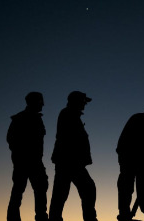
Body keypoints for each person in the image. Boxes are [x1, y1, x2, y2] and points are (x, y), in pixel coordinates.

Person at [49, 91, 98, 221]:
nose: (85, 104)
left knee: (63, 192)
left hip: (70, 161)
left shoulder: (71, 115)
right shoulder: (68, 114)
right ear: (76, 101)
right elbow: (69, 139)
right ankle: (89, 218)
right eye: (83, 101)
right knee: (85, 189)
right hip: (70, 161)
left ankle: (56, 217)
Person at [7, 92, 49, 221]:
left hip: (36, 161)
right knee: (19, 190)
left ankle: (41, 217)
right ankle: (13, 218)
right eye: (41, 101)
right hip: (24, 162)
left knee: (40, 189)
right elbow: (11, 139)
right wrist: (22, 157)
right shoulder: (20, 118)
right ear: (34, 102)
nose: (43, 104)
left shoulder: (37, 118)